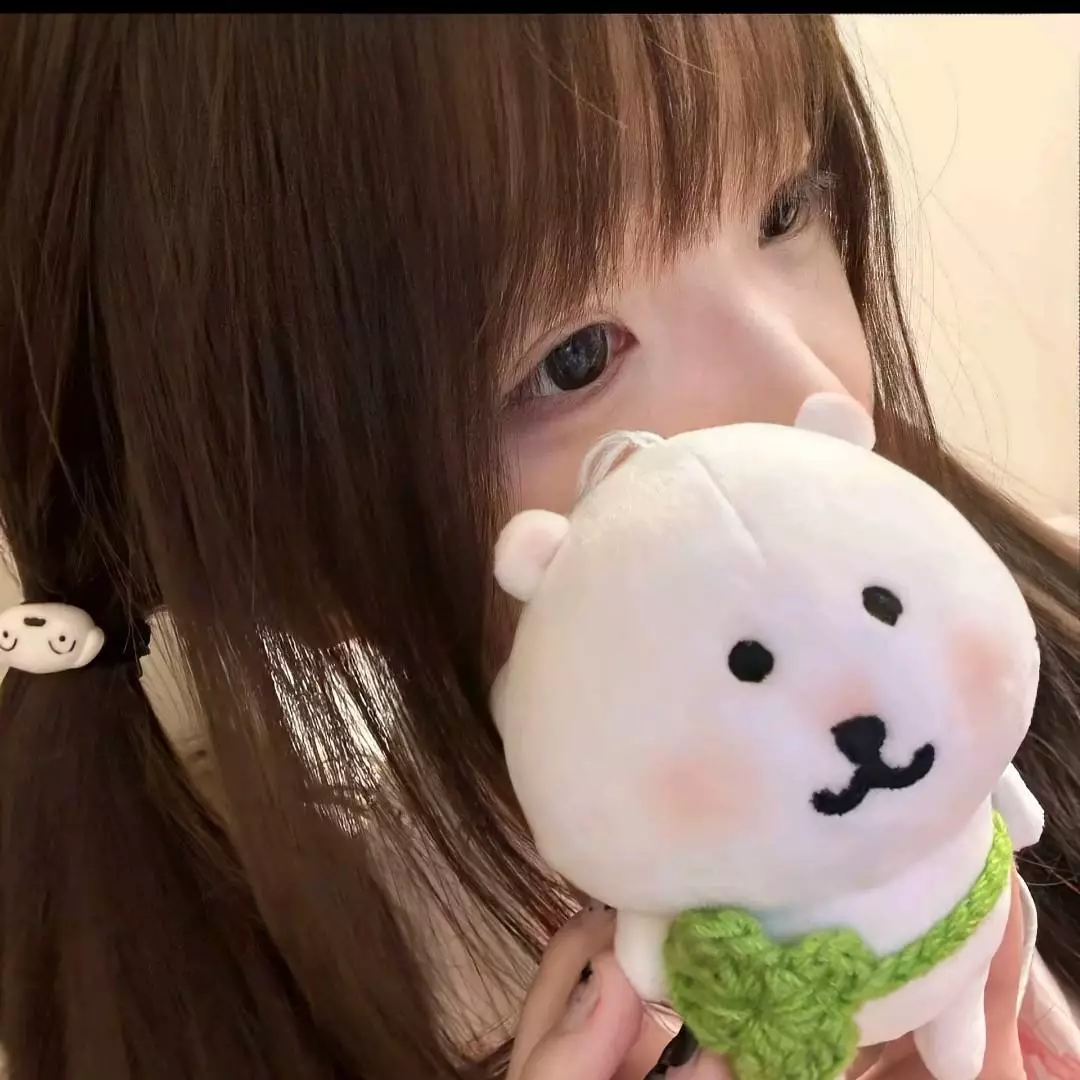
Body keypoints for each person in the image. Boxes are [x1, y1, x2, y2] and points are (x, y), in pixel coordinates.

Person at [0, 14, 1076, 1080]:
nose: (813, 386)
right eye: (575, 359)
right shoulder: (368, 987)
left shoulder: (1010, 648)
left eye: (785, 207)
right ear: (282, 553)